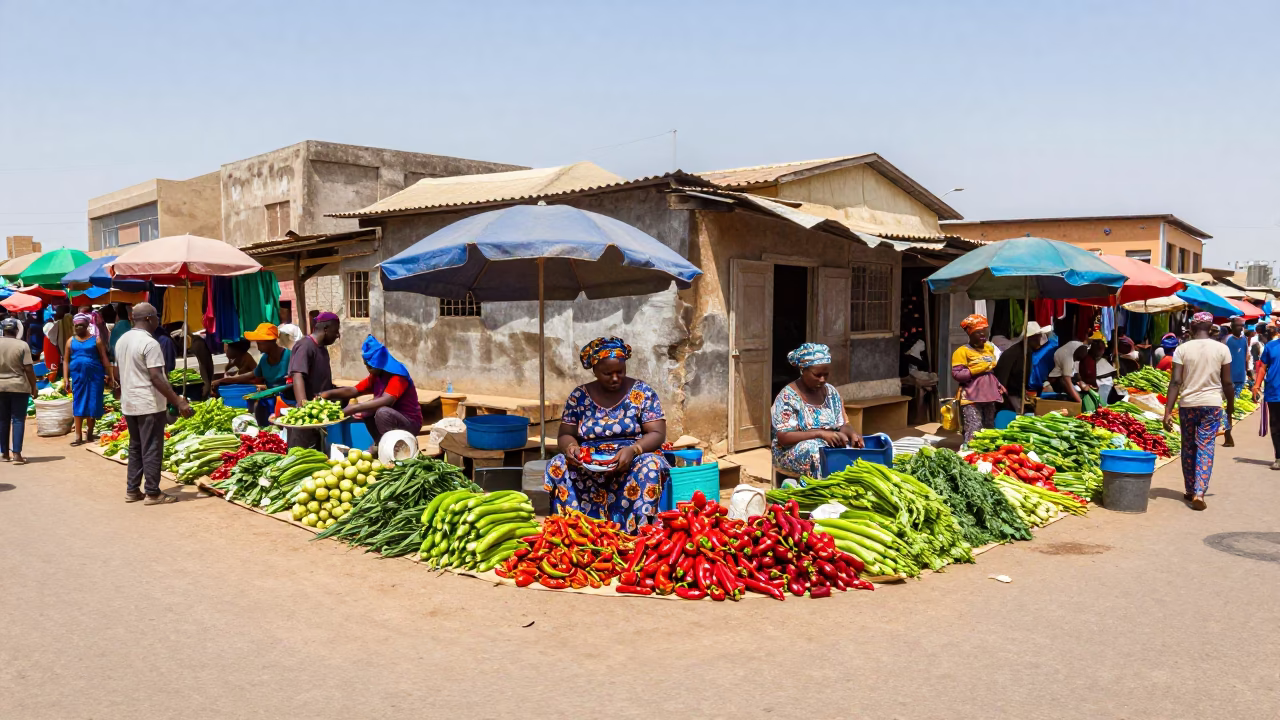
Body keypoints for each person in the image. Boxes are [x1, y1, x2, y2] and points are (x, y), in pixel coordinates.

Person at [543, 337, 671, 532]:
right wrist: (572, 448)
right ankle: (574, 532)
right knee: (558, 464)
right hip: (589, 464)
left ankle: (638, 533)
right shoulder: (579, 396)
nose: (615, 378)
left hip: (631, 459)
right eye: (607, 373)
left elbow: (657, 433)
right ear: (594, 370)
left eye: (620, 372)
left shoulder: (642, 392)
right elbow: (565, 435)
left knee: (651, 465)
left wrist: (634, 449)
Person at [116, 303, 193, 505]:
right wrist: (178, 401)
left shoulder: (122, 340)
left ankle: (132, 490)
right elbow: (157, 377)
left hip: (129, 403)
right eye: (157, 317)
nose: (158, 320)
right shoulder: (150, 344)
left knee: (135, 446)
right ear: (150, 318)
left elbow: (118, 372)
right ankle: (152, 492)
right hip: (148, 404)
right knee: (151, 447)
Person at [1163, 312, 1234, 512]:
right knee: (1205, 446)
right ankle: (1199, 492)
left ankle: (1188, 489)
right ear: (1211, 328)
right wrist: (1230, 406)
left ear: (1192, 328)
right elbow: (1227, 382)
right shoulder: (1222, 349)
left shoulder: (1181, 349)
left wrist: (1167, 411)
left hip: (1188, 404)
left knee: (1188, 447)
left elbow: (1175, 381)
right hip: (1212, 405)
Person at [770, 343, 865, 478]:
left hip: (826, 448)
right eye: (817, 375)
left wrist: (851, 433)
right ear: (803, 370)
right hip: (789, 453)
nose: (822, 380)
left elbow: (842, 424)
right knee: (815, 449)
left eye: (826, 375)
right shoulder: (787, 397)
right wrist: (820, 434)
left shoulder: (831, 393)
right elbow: (784, 437)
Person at [320, 335, 423, 445]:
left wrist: (355, 408)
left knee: (382, 412)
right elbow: (354, 390)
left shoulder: (398, 376)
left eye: (370, 367)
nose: (368, 370)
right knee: (367, 412)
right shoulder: (377, 376)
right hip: (393, 420)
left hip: (409, 422)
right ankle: (379, 443)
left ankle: (390, 446)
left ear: (380, 364)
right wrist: (326, 394)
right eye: (366, 366)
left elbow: (387, 400)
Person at [287, 311, 340, 450]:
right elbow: (297, 375)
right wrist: (304, 407)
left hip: (319, 414)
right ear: (326, 329)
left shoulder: (321, 349)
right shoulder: (305, 346)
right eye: (336, 331)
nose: (338, 335)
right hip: (308, 417)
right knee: (302, 455)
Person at [220, 323, 291, 427]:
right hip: (270, 401)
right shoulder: (264, 359)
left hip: (287, 402)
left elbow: (296, 381)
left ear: (271, 342)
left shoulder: (289, 356)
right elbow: (252, 374)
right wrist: (225, 381)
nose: (257, 348)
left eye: (260, 343)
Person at [950, 315, 1005, 443]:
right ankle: (970, 454)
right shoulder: (962, 352)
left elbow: (990, 370)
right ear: (970, 334)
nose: (983, 335)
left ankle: (986, 456)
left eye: (985, 331)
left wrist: (998, 384)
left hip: (989, 395)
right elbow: (957, 374)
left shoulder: (989, 348)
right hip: (972, 396)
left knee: (989, 427)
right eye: (978, 332)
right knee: (974, 428)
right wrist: (975, 370)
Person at [62, 313, 115, 446]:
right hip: (78, 377)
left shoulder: (96, 340)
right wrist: (66, 378)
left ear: (86, 326)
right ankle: (78, 436)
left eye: (81, 325)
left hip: (95, 376)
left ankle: (90, 432)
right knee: (78, 403)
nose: (79, 327)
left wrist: (110, 374)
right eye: (76, 325)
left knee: (93, 403)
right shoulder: (70, 341)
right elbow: (66, 360)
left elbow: (104, 357)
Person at [0, 317, 38, 465]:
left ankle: (4, 454)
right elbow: (28, 368)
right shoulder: (22, 345)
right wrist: (34, 386)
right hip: (19, 387)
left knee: (2, 420)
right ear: (16, 330)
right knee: (17, 419)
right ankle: (17, 455)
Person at [993, 321, 1053, 412]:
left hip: (1020, 394)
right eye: (1038, 337)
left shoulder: (1028, 352)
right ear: (1031, 338)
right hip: (1010, 397)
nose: (1040, 339)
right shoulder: (1012, 354)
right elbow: (1001, 381)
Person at [1253, 327, 1280, 470]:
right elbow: (1263, 367)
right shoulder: (1271, 346)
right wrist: (1256, 385)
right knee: (1276, 426)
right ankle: (1279, 457)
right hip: (1274, 392)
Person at [1048, 338, 1088, 403]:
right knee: (1074, 393)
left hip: (1064, 375)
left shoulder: (1076, 344)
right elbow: (1067, 382)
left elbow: (1076, 374)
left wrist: (1081, 383)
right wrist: (1080, 401)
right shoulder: (1068, 360)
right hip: (1057, 380)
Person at [1223, 316, 1248, 397]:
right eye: (1238, 325)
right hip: (1229, 377)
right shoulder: (1227, 339)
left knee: (1238, 400)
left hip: (1241, 376)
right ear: (1232, 326)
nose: (1241, 328)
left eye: (1242, 326)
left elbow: (1246, 357)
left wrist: (1247, 371)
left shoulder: (1244, 339)